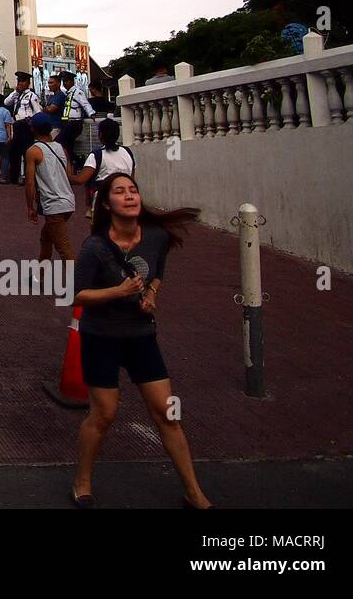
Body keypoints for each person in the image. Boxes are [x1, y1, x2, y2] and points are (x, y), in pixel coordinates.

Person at [71, 173, 211, 509]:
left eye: (133, 190)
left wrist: (151, 294)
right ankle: (82, 480)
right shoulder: (94, 248)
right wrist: (117, 291)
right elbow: (77, 294)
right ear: (106, 203)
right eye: (120, 192)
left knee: (167, 412)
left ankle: (194, 492)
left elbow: (158, 273)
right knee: (103, 414)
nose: (130, 196)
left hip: (141, 335)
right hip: (101, 336)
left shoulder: (157, 237)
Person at [25, 112, 75, 262]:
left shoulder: (33, 151)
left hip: (53, 204)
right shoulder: (61, 148)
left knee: (64, 249)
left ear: (33, 129)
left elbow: (30, 182)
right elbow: (69, 175)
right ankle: (39, 275)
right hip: (68, 200)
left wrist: (30, 207)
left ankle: (80, 282)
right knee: (46, 238)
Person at [71, 118, 135, 209]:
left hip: (104, 203)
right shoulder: (127, 152)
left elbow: (80, 180)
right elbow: (132, 177)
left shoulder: (97, 155)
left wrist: (67, 172)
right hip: (126, 201)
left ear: (100, 135)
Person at [3, 71, 42, 184]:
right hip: (17, 124)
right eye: (19, 81)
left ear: (28, 83)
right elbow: (6, 102)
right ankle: (13, 176)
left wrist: (33, 124)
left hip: (26, 125)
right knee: (14, 151)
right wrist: (16, 91)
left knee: (26, 152)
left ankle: (26, 177)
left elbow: (37, 112)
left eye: (22, 81)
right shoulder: (17, 95)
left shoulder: (32, 96)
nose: (20, 83)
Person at [55, 71, 94, 171]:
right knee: (68, 146)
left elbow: (85, 104)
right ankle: (74, 163)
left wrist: (91, 113)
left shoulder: (77, 92)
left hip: (74, 123)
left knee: (58, 142)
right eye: (64, 81)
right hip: (66, 123)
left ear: (72, 81)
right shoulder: (68, 93)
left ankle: (77, 160)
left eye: (67, 81)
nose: (65, 83)